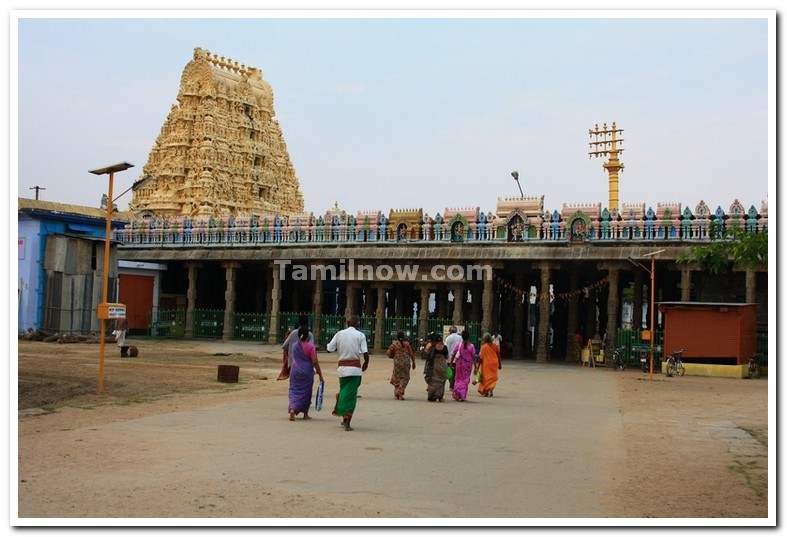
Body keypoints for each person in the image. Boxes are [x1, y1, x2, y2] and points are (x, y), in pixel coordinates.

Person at [326, 315, 369, 431]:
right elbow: (365, 352)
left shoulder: (339, 334)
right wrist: (366, 363)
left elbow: (329, 348)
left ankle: (344, 414)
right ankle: (347, 422)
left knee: (344, 391)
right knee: (351, 396)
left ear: (347, 323)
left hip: (342, 370)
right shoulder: (360, 335)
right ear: (357, 324)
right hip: (355, 370)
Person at [288, 326, 324, 421]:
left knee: (294, 390)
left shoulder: (294, 345)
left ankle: (293, 408)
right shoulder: (310, 346)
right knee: (306, 392)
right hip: (306, 372)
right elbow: (315, 361)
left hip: (295, 371)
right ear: (308, 336)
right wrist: (320, 374)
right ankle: (305, 414)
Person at [450, 329, 478, 402]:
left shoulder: (458, 345)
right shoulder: (471, 346)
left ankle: (457, 392)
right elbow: (474, 357)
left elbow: (453, 354)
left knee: (458, 379)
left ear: (462, 337)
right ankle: (462, 395)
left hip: (459, 365)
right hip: (468, 366)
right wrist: (476, 366)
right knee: (465, 380)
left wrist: (451, 363)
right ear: (469, 337)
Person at [387, 330, 416, 400]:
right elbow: (411, 354)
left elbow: (388, 353)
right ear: (404, 337)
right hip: (406, 362)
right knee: (405, 377)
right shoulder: (407, 344)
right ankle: (400, 391)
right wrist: (414, 363)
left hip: (397, 362)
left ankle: (397, 392)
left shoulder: (394, 345)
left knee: (397, 377)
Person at [477, 332, 502, 397]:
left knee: (486, 378)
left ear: (485, 339)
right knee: (492, 378)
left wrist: (477, 366)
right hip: (494, 364)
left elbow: (480, 358)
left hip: (486, 365)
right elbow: (498, 355)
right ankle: (491, 390)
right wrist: (500, 364)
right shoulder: (495, 346)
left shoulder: (483, 347)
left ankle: (486, 391)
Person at [426, 333, 449, 402]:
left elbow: (428, 355)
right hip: (443, 365)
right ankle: (439, 396)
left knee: (434, 381)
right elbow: (446, 357)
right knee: (442, 381)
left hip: (435, 365)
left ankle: (433, 396)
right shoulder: (445, 347)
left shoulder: (433, 347)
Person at [444, 326, 462, 390]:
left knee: (450, 371)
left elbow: (446, 348)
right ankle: (453, 384)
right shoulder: (460, 338)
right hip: (458, 357)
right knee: (455, 372)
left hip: (450, 358)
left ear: (450, 331)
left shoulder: (448, 338)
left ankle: (451, 385)